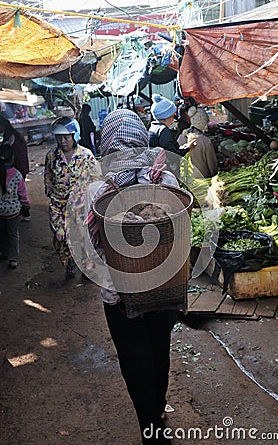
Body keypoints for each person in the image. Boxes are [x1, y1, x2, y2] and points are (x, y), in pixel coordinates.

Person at [86, 109, 183, 444]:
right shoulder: (165, 179)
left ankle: (150, 429)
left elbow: (93, 247)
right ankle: (157, 411)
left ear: (107, 143)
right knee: (160, 353)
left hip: (119, 293)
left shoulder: (98, 191)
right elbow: (179, 235)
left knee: (135, 361)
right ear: (141, 139)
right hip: (163, 287)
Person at [44, 116, 100, 279]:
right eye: (59, 137)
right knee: (61, 236)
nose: (62, 141)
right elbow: (48, 176)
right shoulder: (51, 157)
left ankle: (87, 268)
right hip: (58, 204)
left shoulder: (86, 155)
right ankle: (69, 263)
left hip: (80, 206)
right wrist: (50, 192)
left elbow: (95, 179)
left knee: (85, 237)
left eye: (66, 137)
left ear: (74, 136)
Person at [0, 142, 30, 269]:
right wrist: (26, 205)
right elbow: (23, 194)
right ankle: (13, 259)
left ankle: (3, 252)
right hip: (13, 212)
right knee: (13, 234)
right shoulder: (17, 175)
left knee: (2, 233)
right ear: (12, 158)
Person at [148, 94, 192, 177]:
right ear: (166, 117)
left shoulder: (153, 127)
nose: (173, 120)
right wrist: (187, 148)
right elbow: (172, 155)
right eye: (172, 116)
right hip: (165, 174)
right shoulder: (163, 130)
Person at [0, 114, 30, 220]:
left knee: (18, 191)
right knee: (20, 190)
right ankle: (23, 212)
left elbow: (8, 151)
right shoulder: (14, 135)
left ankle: (25, 212)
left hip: (18, 166)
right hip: (21, 166)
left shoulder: (11, 137)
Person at [177, 106, 218, 178]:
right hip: (203, 179)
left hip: (185, 178)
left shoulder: (181, 137)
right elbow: (212, 165)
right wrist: (214, 176)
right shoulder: (205, 141)